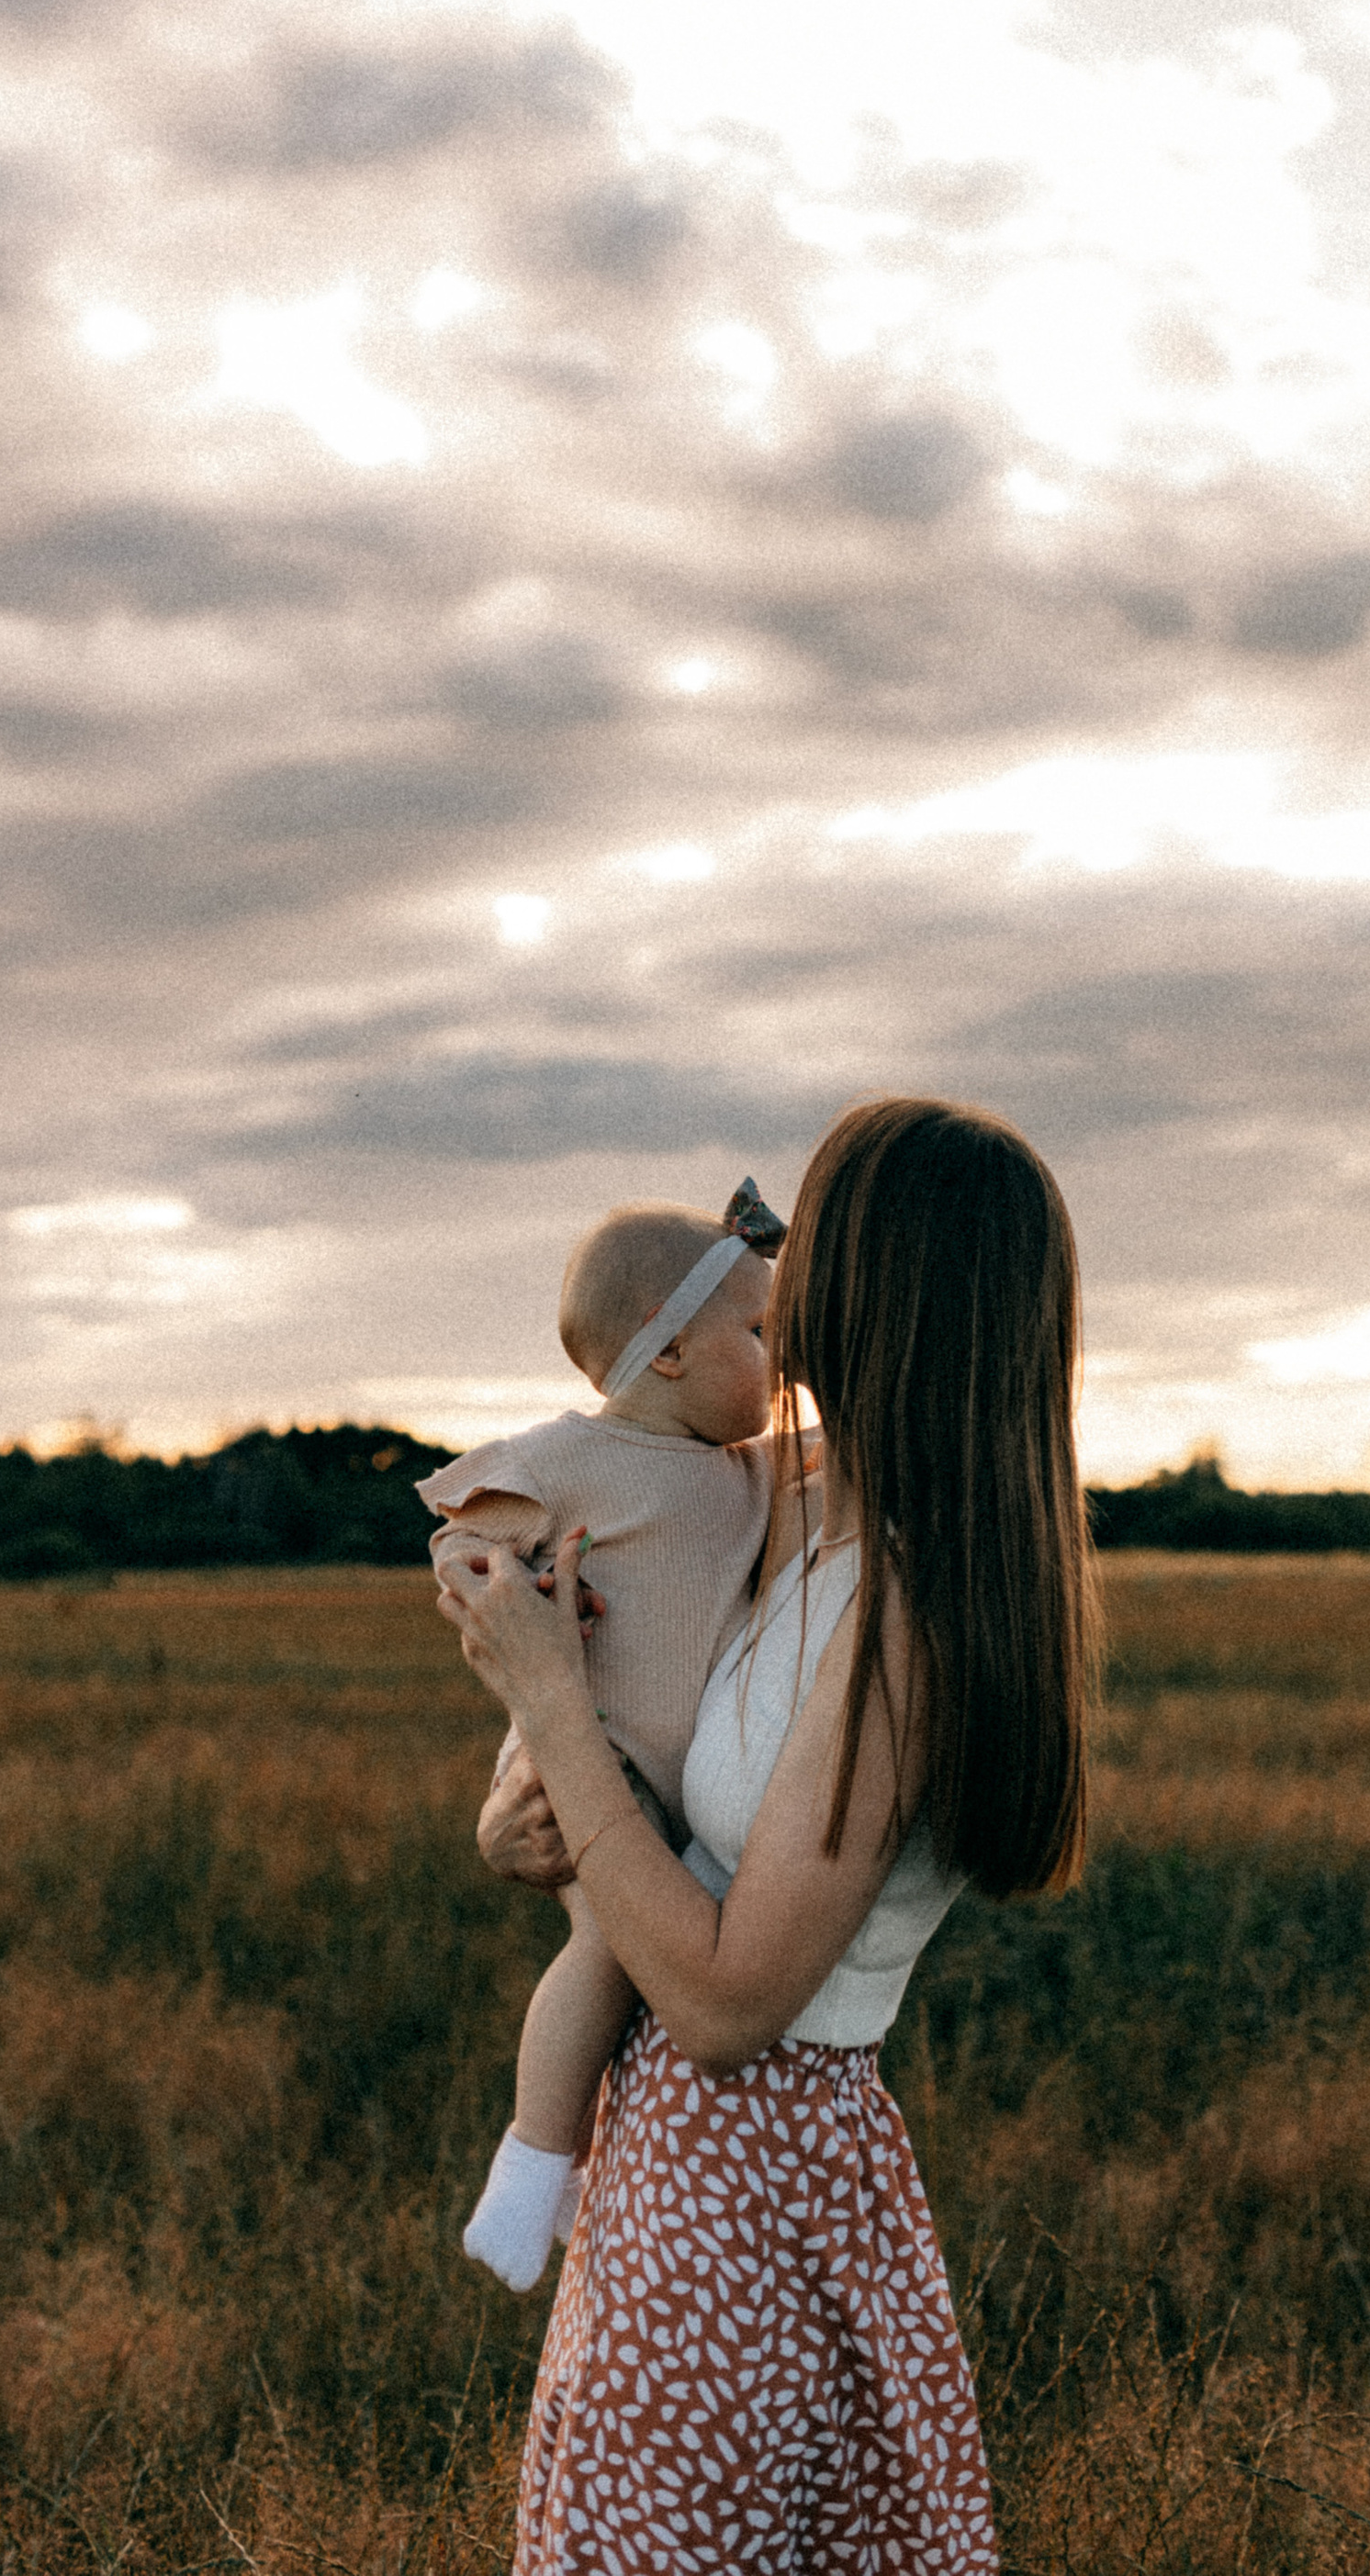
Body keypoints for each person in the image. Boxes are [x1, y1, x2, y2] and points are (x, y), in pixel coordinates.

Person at [435, 1094, 1096, 2575]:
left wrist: (546, 1706)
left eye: (809, 1234)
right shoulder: (779, 1502)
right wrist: (526, 1810)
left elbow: (734, 2004)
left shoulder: (909, 1614)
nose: (775, 1273)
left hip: (757, 2179)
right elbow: (628, 1742)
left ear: (886, 1286)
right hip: (672, 2162)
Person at [419, 1176, 793, 2290]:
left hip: (680, 1784)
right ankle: (531, 2168)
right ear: (666, 1350)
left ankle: (580, 2175)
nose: (781, 1362)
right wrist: (511, 1588)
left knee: (652, 1964)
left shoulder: (751, 1469)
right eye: (761, 1334)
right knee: (607, 1951)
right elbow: (464, 1533)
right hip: (594, 1756)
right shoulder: (567, 1457)